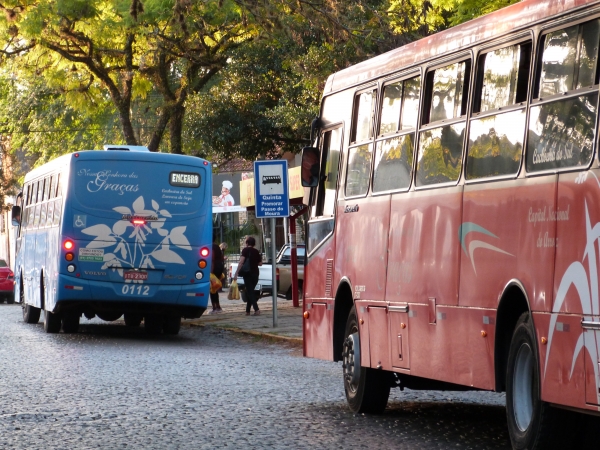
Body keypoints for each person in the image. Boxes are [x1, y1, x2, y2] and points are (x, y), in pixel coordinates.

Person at [233, 236, 262, 316]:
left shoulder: (245, 250)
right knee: (250, 291)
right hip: (255, 273)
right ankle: (247, 311)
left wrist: (236, 273)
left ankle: (257, 310)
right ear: (254, 243)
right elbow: (260, 263)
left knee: (250, 292)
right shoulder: (256, 251)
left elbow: (241, 262)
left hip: (248, 274)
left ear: (247, 243)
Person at [209, 242, 225, 314]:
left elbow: (212, 259)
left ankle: (215, 307)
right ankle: (218, 306)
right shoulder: (217, 246)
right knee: (215, 288)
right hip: (219, 267)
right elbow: (221, 257)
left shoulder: (211, 246)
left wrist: (211, 271)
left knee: (212, 288)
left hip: (214, 267)